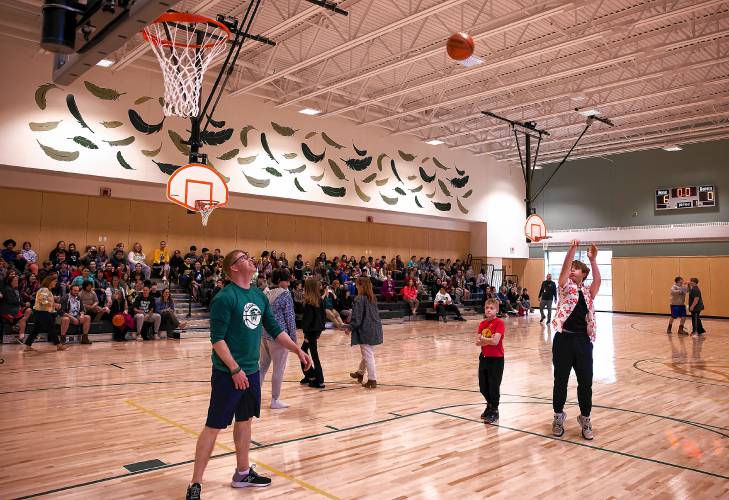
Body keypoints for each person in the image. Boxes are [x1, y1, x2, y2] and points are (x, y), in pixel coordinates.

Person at [185, 250, 312, 500]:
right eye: (244, 258)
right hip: (228, 373)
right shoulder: (225, 298)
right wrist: (234, 369)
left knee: (244, 421)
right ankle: (195, 484)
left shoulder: (258, 295)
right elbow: (217, 340)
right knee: (214, 426)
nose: (250, 260)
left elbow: (275, 329)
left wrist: (298, 350)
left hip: (251, 372)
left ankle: (243, 473)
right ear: (233, 267)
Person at [551, 240, 600, 441]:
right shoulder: (565, 287)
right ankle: (558, 416)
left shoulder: (588, 292)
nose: (572, 270)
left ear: (584, 274)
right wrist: (572, 250)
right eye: (572, 268)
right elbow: (564, 270)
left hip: (583, 342)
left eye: (576, 269)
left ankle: (585, 418)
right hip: (563, 340)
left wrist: (593, 260)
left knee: (585, 382)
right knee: (560, 381)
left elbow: (598, 280)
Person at [259, 269, 298, 408]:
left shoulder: (265, 292)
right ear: (280, 280)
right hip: (279, 336)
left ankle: (253, 396)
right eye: (287, 280)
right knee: (278, 369)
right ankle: (275, 400)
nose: (288, 283)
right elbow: (290, 318)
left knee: (262, 367)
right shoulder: (285, 294)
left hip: (263, 334)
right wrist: (293, 340)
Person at [346, 277, 383, 389]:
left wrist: (350, 328)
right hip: (375, 328)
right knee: (367, 353)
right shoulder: (372, 298)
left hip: (366, 330)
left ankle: (372, 379)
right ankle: (360, 373)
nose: (356, 286)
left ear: (361, 286)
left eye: (357, 285)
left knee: (368, 355)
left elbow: (357, 318)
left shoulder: (359, 299)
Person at [475, 298, 505, 424]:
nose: (488, 310)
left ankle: (494, 410)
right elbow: (477, 342)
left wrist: (484, 339)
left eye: (491, 308)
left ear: (496, 310)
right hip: (484, 358)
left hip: (496, 359)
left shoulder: (499, 323)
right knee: (483, 386)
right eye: (487, 308)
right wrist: (488, 339)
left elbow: (495, 341)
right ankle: (489, 404)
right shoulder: (482, 324)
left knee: (494, 386)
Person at [24, 274, 64, 351]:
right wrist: (54, 304)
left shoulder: (47, 290)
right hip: (42, 312)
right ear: (50, 282)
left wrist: (54, 307)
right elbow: (43, 300)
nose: (56, 283)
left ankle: (28, 346)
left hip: (40, 312)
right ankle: (58, 345)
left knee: (36, 329)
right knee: (51, 327)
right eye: (55, 281)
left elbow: (46, 302)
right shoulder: (44, 290)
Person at [300, 278, 326, 388]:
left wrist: (306, 334)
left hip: (310, 332)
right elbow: (323, 317)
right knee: (306, 352)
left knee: (307, 354)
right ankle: (310, 375)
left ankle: (317, 379)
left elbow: (307, 320)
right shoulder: (319, 300)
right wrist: (319, 330)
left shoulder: (309, 302)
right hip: (316, 330)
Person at [0, 274, 33, 343]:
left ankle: (18, 325)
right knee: (22, 319)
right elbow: (12, 301)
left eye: (17, 280)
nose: (17, 282)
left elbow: (19, 299)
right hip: (9, 309)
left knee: (29, 310)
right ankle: (21, 336)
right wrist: (24, 304)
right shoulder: (7, 289)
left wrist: (25, 304)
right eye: (15, 281)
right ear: (10, 282)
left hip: (17, 307)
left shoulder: (16, 289)